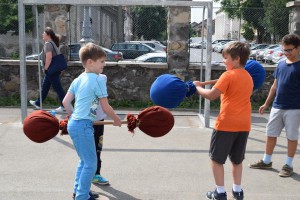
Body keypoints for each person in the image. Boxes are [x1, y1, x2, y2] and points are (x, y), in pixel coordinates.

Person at [63, 42, 122, 200]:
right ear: (90, 62)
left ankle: (79, 191)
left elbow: (66, 102)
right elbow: (105, 106)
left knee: (84, 161)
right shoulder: (97, 80)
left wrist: (74, 117)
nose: (104, 64)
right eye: (102, 61)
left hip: (74, 124)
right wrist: (116, 119)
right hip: (83, 125)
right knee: (91, 163)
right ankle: (82, 196)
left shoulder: (78, 79)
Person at [193, 41, 252, 200]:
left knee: (216, 159)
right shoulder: (248, 76)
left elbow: (211, 95)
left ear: (236, 59)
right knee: (237, 160)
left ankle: (219, 193)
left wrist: (197, 87)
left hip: (226, 124)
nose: (223, 61)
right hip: (244, 124)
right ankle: (238, 191)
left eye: (225, 58)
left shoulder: (228, 75)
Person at [249, 34, 300, 177]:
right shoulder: (281, 64)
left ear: (298, 48)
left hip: (295, 108)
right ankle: (266, 161)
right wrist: (266, 103)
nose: (286, 53)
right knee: (271, 134)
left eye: (289, 50)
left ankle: (288, 165)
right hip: (277, 106)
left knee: (291, 137)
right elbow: (274, 86)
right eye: (284, 50)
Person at [29, 27, 66, 111]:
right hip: (53, 70)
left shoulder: (48, 44)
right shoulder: (52, 43)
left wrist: (46, 69)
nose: (42, 35)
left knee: (58, 88)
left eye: (44, 34)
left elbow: (49, 58)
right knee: (45, 87)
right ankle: (38, 103)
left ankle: (64, 105)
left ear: (48, 35)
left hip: (51, 70)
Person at [91, 74, 110, 186]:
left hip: (99, 121)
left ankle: (96, 173)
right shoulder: (93, 96)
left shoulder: (102, 78)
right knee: (91, 150)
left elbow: (105, 106)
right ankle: (93, 175)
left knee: (98, 147)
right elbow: (93, 106)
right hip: (92, 122)